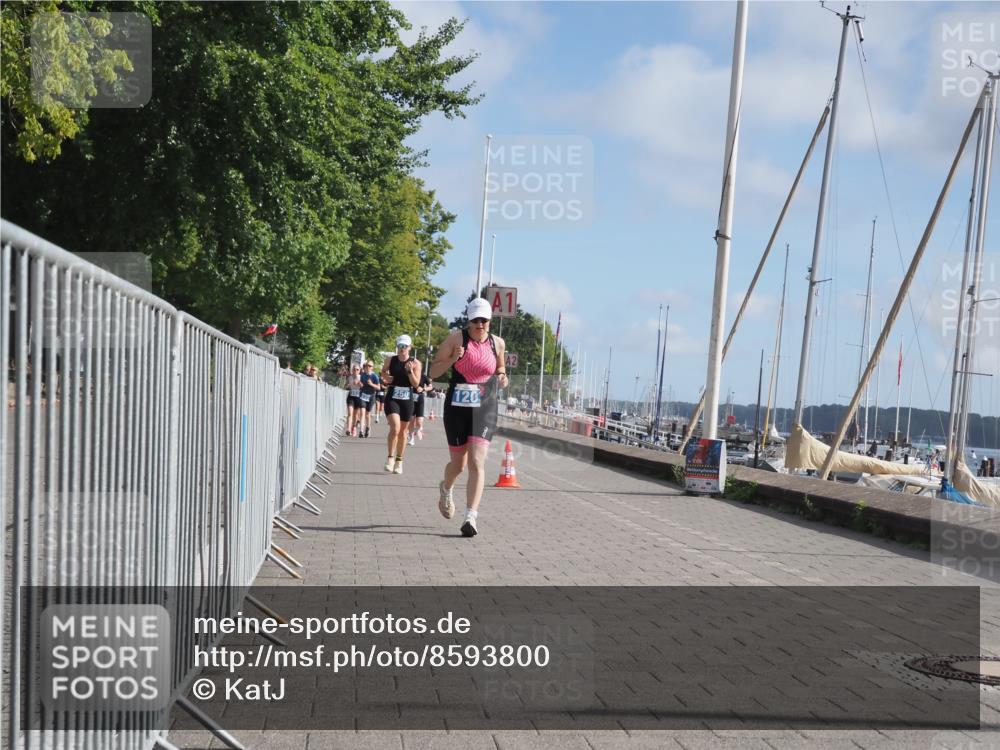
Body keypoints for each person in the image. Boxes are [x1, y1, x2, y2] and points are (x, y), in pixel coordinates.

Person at [429, 298, 509, 538]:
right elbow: (432, 372)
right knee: (459, 464)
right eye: (475, 320)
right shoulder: (455, 339)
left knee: (477, 461)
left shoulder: (498, 343)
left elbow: (501, 369)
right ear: (469, 320)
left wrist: (503, 378)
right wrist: (453, 358)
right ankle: (446, 487)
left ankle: (470, 517)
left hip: (484, 406)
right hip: (457, 406)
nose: (480, 324)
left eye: (484, 320)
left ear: (490, 321)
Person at [381, 335, 422, 474]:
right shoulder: (390, 359)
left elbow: (416, 384)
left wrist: (410, 371)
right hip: (393, 395)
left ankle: (399, 461)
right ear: (397, 346)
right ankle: (390, 458)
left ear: (410, 347)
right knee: (395, 427)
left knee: (403, 432)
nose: (402, 349)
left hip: (407, 397)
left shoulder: (416, 363)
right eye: (400, 346)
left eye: (405, 346)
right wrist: (387, 377)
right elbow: (383, 372)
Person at [408, 372, 434, 445]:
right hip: (410, 398)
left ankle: (417, 430)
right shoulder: (409, 375)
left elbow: (430, 386)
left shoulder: (424, 376)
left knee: (419, 423)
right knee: (411, 421)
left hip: (420, 398)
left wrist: (423, 389)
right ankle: (411, 438)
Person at [359, 361, 381, 438]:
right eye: (366, 365)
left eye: (370, 366)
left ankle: (368, 428)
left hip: (371, 396)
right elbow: (360, 384)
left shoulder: (375, 376)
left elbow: (379, 387)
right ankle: (361, 430)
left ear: (372, 367)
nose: (367, 367)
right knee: (362, 412)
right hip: (363, 395)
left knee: (367, 415)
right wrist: (360, 384)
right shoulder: (362, 375)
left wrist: (371, 384)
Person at [345, 364, 364, 437]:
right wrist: (349, 385)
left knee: (355, 415)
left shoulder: (361, 377)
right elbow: (346, 386)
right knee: (350, 413)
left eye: (357, 369)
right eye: (354, 369)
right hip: (351, 396)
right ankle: (348, 429)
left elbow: (363, 386)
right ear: (352, 370)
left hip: (358, 397)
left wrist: (359, 383)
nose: (355, 371)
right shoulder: (350, 377)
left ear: (360, 370)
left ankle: (354, 427)